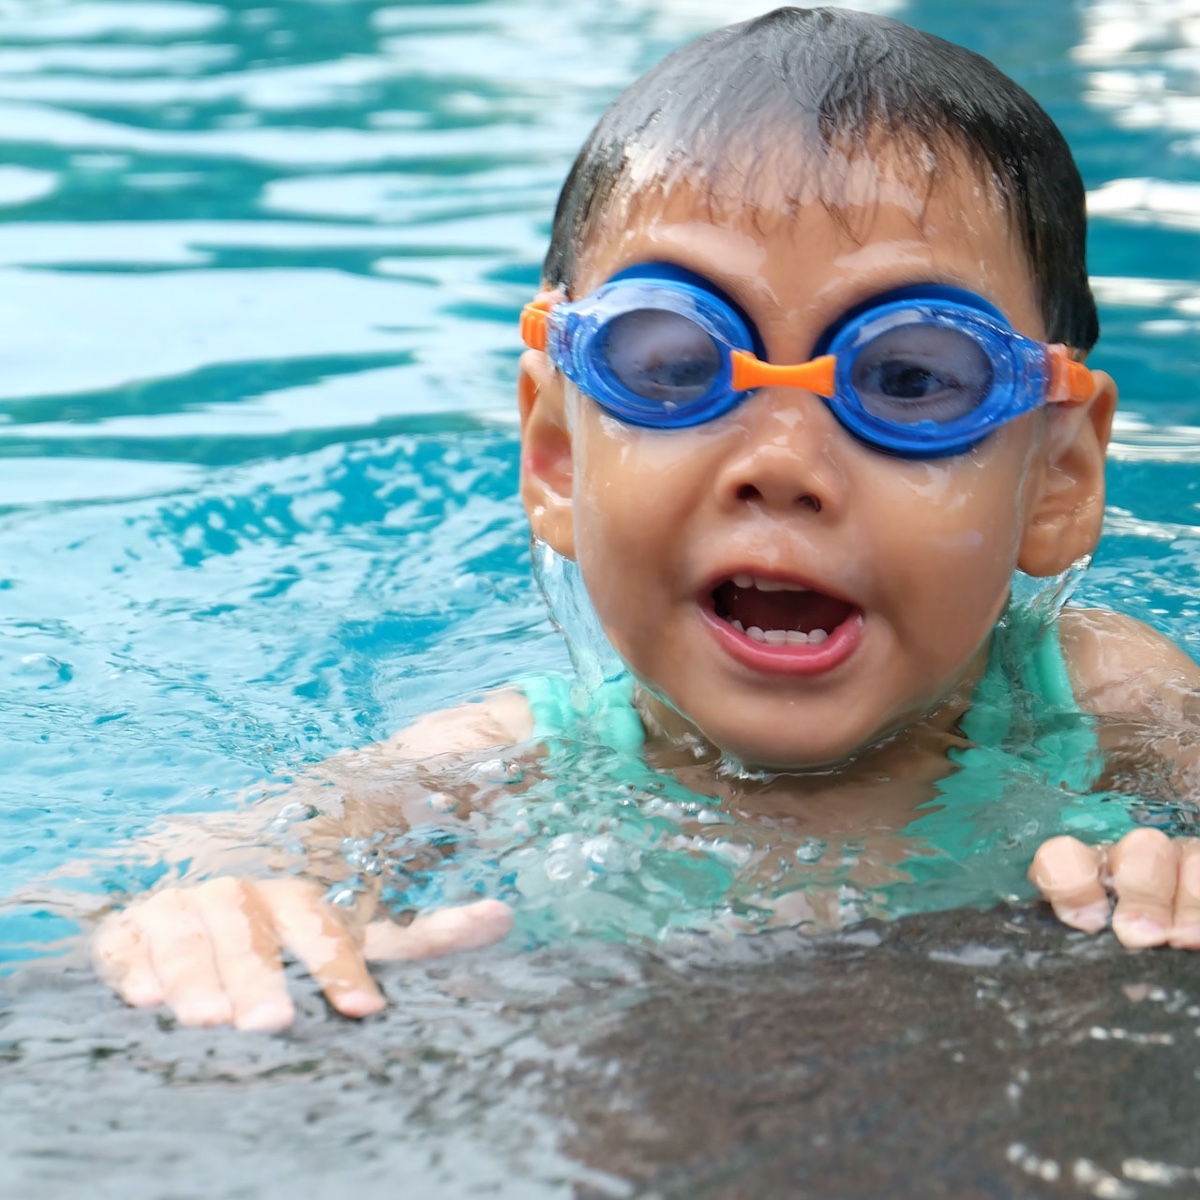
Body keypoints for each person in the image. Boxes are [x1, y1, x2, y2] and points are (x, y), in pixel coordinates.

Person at [94, 6, 1200, 1032]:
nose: (781, 468)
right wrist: (206, 910)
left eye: (910, 379)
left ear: (1056, 483)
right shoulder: (515, 756)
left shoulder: (1099, 699)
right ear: (560, 456)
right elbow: (203, 864)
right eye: (672, 366)